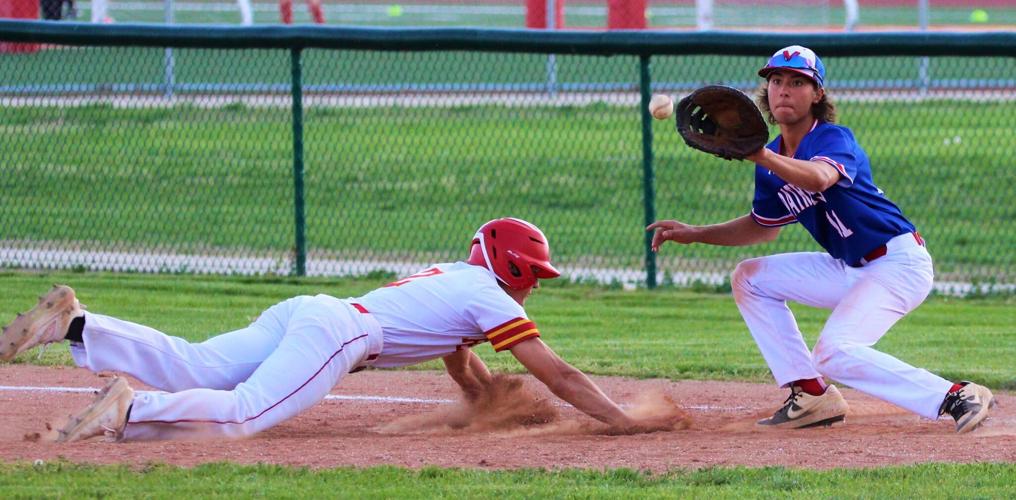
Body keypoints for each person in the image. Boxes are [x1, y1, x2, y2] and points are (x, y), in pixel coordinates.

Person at [1, 218, 667, 441]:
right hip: (341, 336)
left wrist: (489, 404)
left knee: (201, 362)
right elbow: (557, 373)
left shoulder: (458, 283)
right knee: (240, 417)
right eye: (533, 274)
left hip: (314, 310)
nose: (533, 284)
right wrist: (621, 420)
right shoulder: (490, 294)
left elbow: (460, 362)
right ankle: (131, 407)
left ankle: (79, 323)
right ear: (513, 266)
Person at [647, 46, 995, 433]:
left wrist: (759, 155)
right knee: (750, 277)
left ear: (818, 94)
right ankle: (810, 395)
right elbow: (764, 226)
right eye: (776, 81)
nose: (784, 90)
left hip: (897, 264)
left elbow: (819, 178)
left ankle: (956, 395)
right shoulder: (773, 158)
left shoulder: (831, 139)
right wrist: (697, 234)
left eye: (798, 82)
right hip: (848, 268)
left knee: (833, 352)